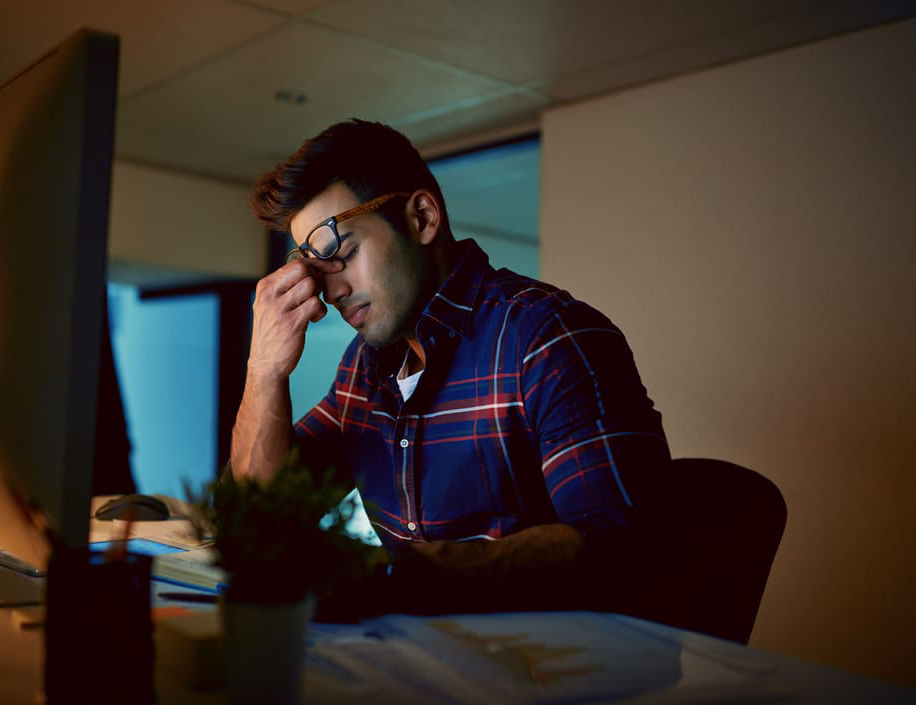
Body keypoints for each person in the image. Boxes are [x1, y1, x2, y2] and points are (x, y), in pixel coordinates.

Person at [230, 119, 670, 616]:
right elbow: (258, 520)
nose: (331, 292)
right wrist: (264, 368)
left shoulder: (548, 339)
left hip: (551, 674)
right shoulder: (363, 370)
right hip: (413, 662)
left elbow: (618, 546)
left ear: (421, 217)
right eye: (315, 270)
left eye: (343, 254)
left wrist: (401, 580)